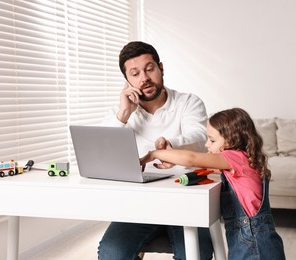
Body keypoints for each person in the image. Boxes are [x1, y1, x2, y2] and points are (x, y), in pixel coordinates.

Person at [99, 41, 214, 259]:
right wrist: (124, 114)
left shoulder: (188, 102)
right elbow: (103, 152)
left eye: (149, 69)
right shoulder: (120, 111)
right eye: (135, 74)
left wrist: (171, 147)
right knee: (111, 252)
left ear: (161, 68)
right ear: (128, 81)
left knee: (196, 254)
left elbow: (200, 138)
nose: (144, 78)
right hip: (139, 202)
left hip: (186, 198)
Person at [140, 108, 286, 260]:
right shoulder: (243, 160)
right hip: (255, 241)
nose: (207, 144)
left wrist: (153, 154)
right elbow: (199, 164)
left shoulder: (234, 157)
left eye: (212, 140)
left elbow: (191, 158)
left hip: (255, 246)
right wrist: (172, 160)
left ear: (231, 139)